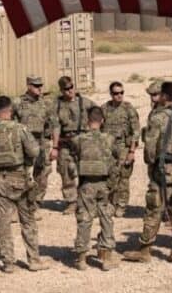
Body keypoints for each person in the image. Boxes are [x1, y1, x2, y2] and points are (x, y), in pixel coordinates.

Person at [123, 81, 172, 264]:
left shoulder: (158, 118)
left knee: (154, 209)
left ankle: (145, 250)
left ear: (163, 96)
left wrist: (151, 164)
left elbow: (150, 151)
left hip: (163, 173)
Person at [0, 95, 48, 273]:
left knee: (3, 222)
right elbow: (34, 151)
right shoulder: (20, 129)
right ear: (11, 110)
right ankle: (34, 260)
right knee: (27, 221)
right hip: (19, 178)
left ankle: (8, 263)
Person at [72, 106, 121, 271]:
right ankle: (106, 259)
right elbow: (117, 159)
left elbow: (75, 156)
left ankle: (81, 259)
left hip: (87, 184)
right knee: (106, 218)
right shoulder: (109, 139)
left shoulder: (79, 139)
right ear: (102, 121)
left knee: (85, 219)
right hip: (104, 184)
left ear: (87, 121)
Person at [13, 75, 60, 213]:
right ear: (28, 86)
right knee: (22, 174)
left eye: (41, 85)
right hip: (23, 143)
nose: (40, 88)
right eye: (36, 85)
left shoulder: (47, 103)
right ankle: (21, 203)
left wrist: (55, 147)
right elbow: (10, 124)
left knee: (43, 173)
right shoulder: (17, 103)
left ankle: (35, 203)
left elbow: (55, 125)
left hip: (41, 142)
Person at [54, 75, 97, 215]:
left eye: (71, 87)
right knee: (66, 172)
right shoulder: (57, 105)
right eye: (66, 89)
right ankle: (71, 201)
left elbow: (98, 114)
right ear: (61, 90)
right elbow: (55, 126)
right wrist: (55, 147)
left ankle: (87, 201)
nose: (69, 91)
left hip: (82, 142)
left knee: (87, 172)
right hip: (65, 143)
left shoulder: (85, 103)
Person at [101, 81, 140, 217]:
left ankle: (122, 205)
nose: (119, 96)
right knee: (110, 177)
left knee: (123, 178)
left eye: (121, 93)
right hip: (108, 149)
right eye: (116, 93)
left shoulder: (129, 109)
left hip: (124, 147)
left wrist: (132, 152)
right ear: (111, 94)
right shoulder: (104, 109)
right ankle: (111, 203)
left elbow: (136, 131)